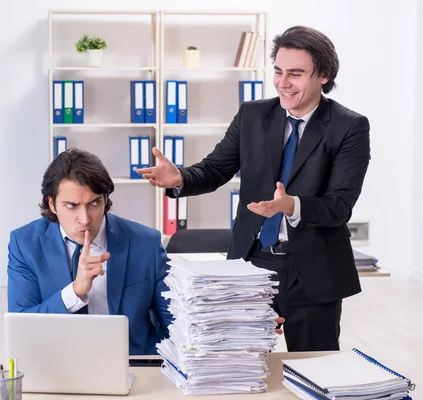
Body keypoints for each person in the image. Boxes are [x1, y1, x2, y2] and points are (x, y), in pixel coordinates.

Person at [138, 26, 370, 352]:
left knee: (314, 366)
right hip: (251, 263)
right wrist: (181, 178)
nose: (283, 83)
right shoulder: (253, 115)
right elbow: (215, 169)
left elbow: (340, 206)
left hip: (313, 270)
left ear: (324, 75)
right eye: (278, 71)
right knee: (238, 365)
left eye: (296, 74)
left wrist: (291, 206)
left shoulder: (349, 126)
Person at [6, 148, 173, 355]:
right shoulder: (25, 244)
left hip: (134, 365)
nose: (85, 219)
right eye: (71, 206)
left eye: (94, 203)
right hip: (57, 368)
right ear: (52, 204)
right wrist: (75, 292)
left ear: (105, 199)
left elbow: (176, 328)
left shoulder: (146, 243)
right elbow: (22, 327)